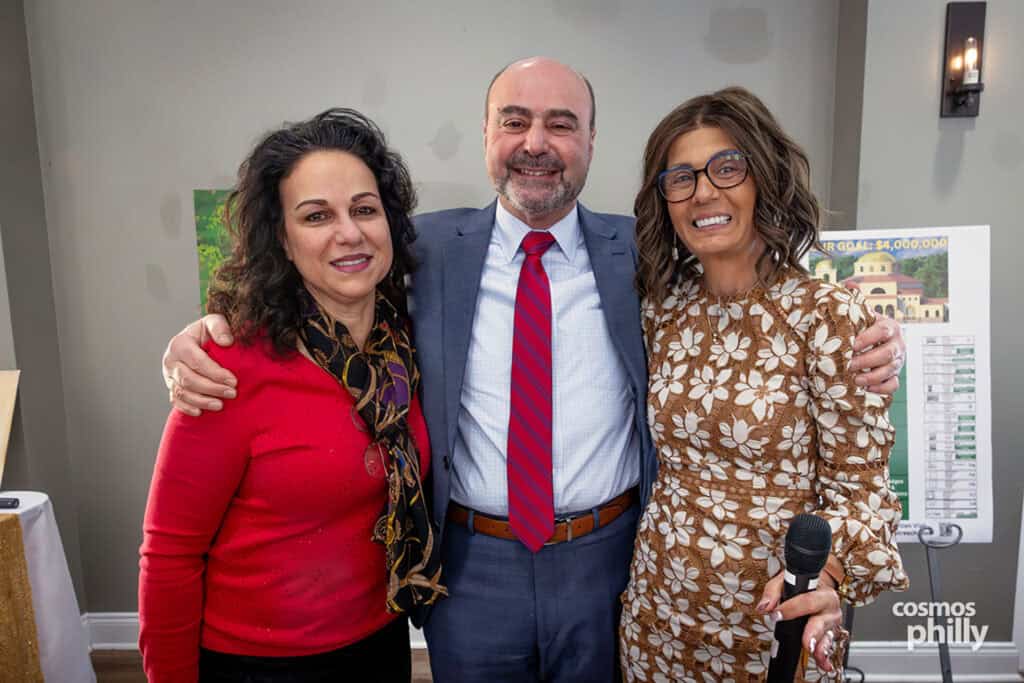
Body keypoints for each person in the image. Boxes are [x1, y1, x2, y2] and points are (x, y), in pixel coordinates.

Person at [159, 59, 906, 681]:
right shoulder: (418, 249)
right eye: (514, 120)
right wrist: (206, 329)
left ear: (590, 141)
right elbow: (316, 283)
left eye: (561, 124)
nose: (536, 142)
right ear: (486, 135)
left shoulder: (640, 258)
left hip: (611, 561)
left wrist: (873, 333)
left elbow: (748, 279)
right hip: (471, 564)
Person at [138, 108, 446, 683]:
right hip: (257, 664)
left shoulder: (408, 346)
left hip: (380, 641)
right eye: (316, 216)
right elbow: (169, 559)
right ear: (281, 237)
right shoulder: (226, 368)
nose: (348, 233)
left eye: (364, 209)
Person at [619, 87, 909, 682]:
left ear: (765, 178)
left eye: (727, 168)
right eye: (680, 178)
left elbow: (864, 491)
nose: (703, 192)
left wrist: (827, 580)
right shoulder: (659, 311)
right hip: (658, 611)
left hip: (777, 616)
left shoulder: (825, 315)